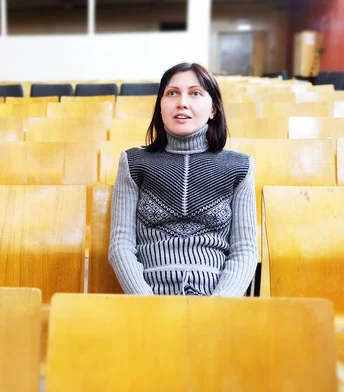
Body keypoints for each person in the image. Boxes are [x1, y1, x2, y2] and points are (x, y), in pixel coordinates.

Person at [108, 62, 257, 297]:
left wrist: (217, 305)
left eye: (195, 93)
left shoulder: (240, 166)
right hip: (148, 299)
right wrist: (146, 302)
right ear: (160, 106)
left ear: (213, 109)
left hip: (215, 301)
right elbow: (120, 245)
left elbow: (245, 250)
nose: (182, 103)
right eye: (172, 93)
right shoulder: (133, 162)